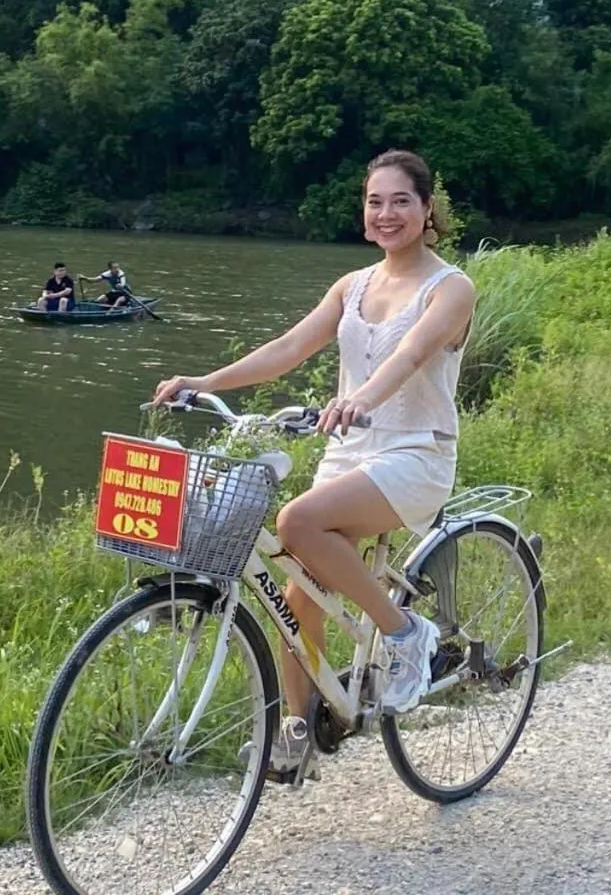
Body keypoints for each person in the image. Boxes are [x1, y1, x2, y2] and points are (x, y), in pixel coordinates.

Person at [153, 149, 475, 778]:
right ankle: (298, 731)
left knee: (298, 521)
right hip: (350, 454)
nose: (386, 214)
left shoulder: (451, 288)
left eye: (401, 201)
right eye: (375, 201)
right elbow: (290, 346)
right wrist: (204, 379)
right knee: (295, 595)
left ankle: (408, 633)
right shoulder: (352, 286)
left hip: (416, 452)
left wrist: (360, 398)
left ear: (427, 209)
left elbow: (409, 356)